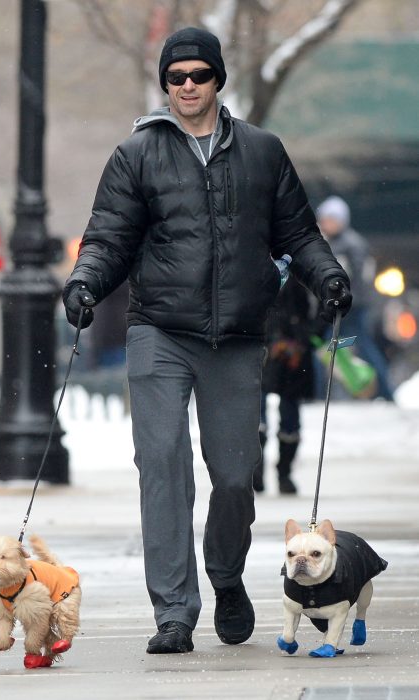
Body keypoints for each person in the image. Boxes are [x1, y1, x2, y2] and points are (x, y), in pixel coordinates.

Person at [63, 27, 352, 655]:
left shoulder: (262, 151)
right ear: (165, 85)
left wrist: (327, 275)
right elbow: (108, 236)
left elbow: (297, 233)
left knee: (234, 476)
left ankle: (226, 576)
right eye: (175, 77)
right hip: (159, 330)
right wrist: (85, 282)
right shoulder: (136, 154)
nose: (186, 86)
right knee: (162, 467)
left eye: (198, 75)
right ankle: (173, 611)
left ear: (217, 79)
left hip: (237, 337)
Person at [317, 196, 394, 401]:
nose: (325, 224)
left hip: (351, 307)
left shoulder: (352, 244)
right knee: (330, 348)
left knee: (356, 347)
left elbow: (360, 279)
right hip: (337, 306)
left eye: (330, 219)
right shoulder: (330, 242)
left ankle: (385, 391)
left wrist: (346, 300)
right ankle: (321, 392)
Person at [253, 277, 315, 495]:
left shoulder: (299, 263)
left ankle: (282, 473)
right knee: (256, 410)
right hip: (264, 342)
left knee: (285, 414)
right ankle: (258, 471)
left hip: (289, 349)